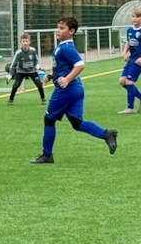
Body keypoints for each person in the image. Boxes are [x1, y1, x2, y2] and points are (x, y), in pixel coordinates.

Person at [30, 16, 117, 164]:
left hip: (66, 90)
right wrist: (53, 75)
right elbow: (65, 66)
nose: (58, 30)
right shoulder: (62, 46)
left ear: (71, 31)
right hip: (76, 89)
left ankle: (47, 155)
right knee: (77, 123)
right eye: (58, 27)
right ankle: (106, 134)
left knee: (49, 119)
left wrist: (67, 79)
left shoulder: (67, 47)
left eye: (62, 28)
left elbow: (80, 64)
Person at [6, 32, 45, 104]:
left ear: (29, 42)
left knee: (39, 84)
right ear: (20, 42)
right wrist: (10, 74)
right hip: (21, 71)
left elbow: (36, 60)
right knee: (16, 85)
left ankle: (43, 99)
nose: (25, 43)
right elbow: (13, 64)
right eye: (23, 41)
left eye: (26, 41)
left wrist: (38, 66)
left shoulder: (33, 50)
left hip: (32, 70)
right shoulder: (18, 53)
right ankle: (11, 100)